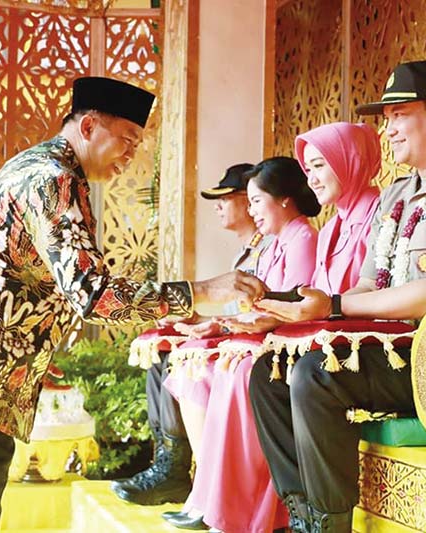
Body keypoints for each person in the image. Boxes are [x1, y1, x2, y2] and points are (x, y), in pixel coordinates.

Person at [0, 77, 266, 533]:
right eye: (127, 140)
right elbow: (94, 295)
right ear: (89, 125)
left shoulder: (38, 167)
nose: (130, 156)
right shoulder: (54, 179)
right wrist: (203, 292)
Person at [249, 60, 426, 532]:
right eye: (387, 118)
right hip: (405, 355)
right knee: (269, 372)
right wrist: (306, 313)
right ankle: (305, 516)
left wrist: (335, 307)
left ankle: (329, 527)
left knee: (316, 376)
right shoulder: (398, 195)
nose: (389, 128)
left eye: (400, 114)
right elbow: (367, 285)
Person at [163, 156, 321, 531]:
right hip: (260, 339)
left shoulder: (302, 238)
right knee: (192, 363)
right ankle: (208, 495)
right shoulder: (274, 243)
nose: (251, 210)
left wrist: (225, 325)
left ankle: (230, 503)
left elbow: (289, 309)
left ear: (283, 199)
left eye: (255, 201)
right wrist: (218, 325)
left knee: (230, 369)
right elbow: (255, 308)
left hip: (282, 347)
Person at [112, 163, 273, 506]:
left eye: (226, 198)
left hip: (255, 348)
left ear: (249, 201)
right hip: (236, 339)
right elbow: (236, 312)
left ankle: (195, 481)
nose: (218, 206)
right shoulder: (244, 253)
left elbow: (263, 312)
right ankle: (170, 466)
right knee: (164, 352)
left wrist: (214, 325)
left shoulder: (273, 245)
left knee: (180, 360)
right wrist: (197, 319)